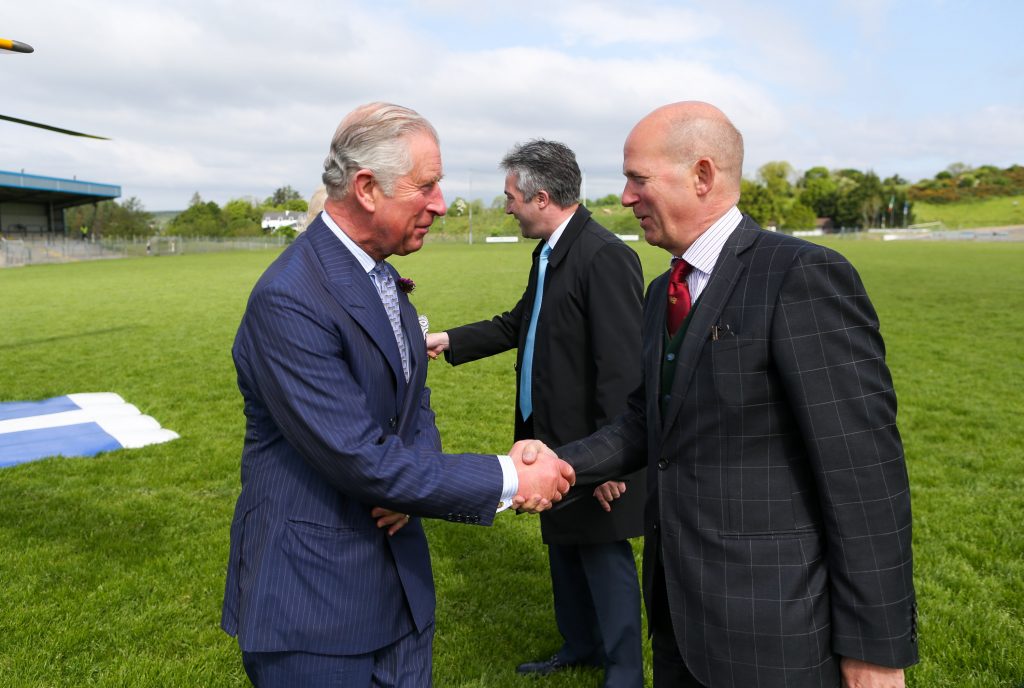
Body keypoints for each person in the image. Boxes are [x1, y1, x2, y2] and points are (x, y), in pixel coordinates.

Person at [544, 101, 918, 687]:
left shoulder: (800, 276)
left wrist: (875, 649)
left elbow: (864, 476)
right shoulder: (658, 292)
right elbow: (648, 421)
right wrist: (564, 462)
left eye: (637, 179)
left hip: (777, 631)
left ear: (702, 175)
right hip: (677, 620)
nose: (623, 197)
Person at [220, 102, 575, 688]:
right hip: (316, 602)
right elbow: (358, 456)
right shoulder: (290, 298)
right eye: (427, 186)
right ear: (366, 188)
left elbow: (413, 405)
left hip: (399, 586)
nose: (440, 204)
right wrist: (511, 478)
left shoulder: (381, 274)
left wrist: (418, 481)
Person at [426, 139, 646, 686]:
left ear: (540, 197)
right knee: (565, 549)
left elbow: (621, 369)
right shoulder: (549, 251)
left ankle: (623, 671)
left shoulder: (605, 256)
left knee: (601, 553)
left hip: (592, 448)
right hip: (548, 438)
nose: (505, 207)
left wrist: (610, 462)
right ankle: (580, 645)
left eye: (510, 197)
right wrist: (448, 340)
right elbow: (519, 322)